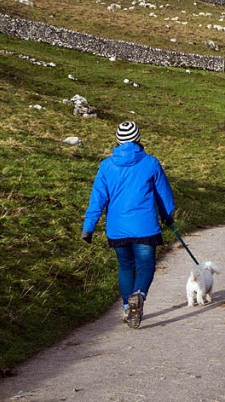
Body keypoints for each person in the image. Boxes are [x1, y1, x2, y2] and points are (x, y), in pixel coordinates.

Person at [81, 121, 176, 329]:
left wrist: (88, 226)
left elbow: (98, 198)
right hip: (145, 226)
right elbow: (163, 195)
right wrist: (167, 216)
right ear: (138, 139)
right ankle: (139, 294)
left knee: (125, 266)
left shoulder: (106, 166)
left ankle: (127, 308)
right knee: (146, 265)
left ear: (117, 140)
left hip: (117, 228)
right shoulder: (151, 163)